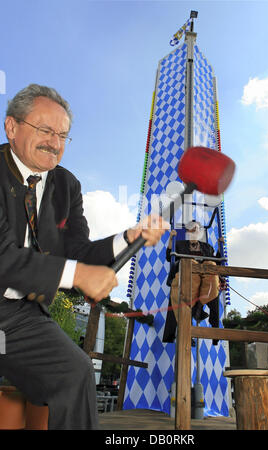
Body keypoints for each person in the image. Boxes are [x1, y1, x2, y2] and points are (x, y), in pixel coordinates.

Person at [0, 84, 168, 430]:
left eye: (63, 135)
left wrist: (127, 239)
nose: (55, 142)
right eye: (44, 130)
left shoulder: (67, 185)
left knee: (75, 372)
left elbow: (78, 250)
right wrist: (77, 276)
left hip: (19, 316)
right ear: (12, 127)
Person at [162, 221, 224, 344]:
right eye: (192, 229)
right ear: (187, 232)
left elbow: (216, 262)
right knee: (190, 263)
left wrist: (219, 247)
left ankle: (200, 307)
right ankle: (193, 317)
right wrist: (170, 239)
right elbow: (170, 257)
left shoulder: (207, 247)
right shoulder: (179, 244)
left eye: (197, 229)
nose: (195, 231)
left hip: (204, 276)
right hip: (187, 274)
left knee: (211, 265)